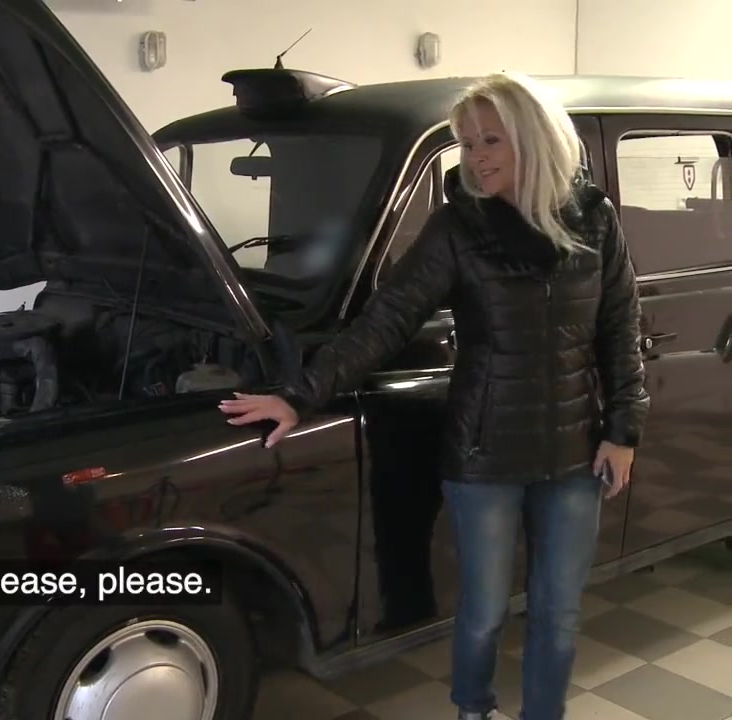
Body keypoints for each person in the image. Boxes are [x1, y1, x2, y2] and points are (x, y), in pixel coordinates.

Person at [219, 71, 649, 720]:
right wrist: (298, 394)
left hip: (574, 454)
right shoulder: (457, 228)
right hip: (484, 456)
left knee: (558, 612)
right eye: (467, 143)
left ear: (534, 139)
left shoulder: (595, 220)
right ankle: (473, 709)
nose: (476, 157)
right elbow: (386, 320)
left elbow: (621, 329)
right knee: (482, 612)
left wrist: (623, 431)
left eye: (491, 140)